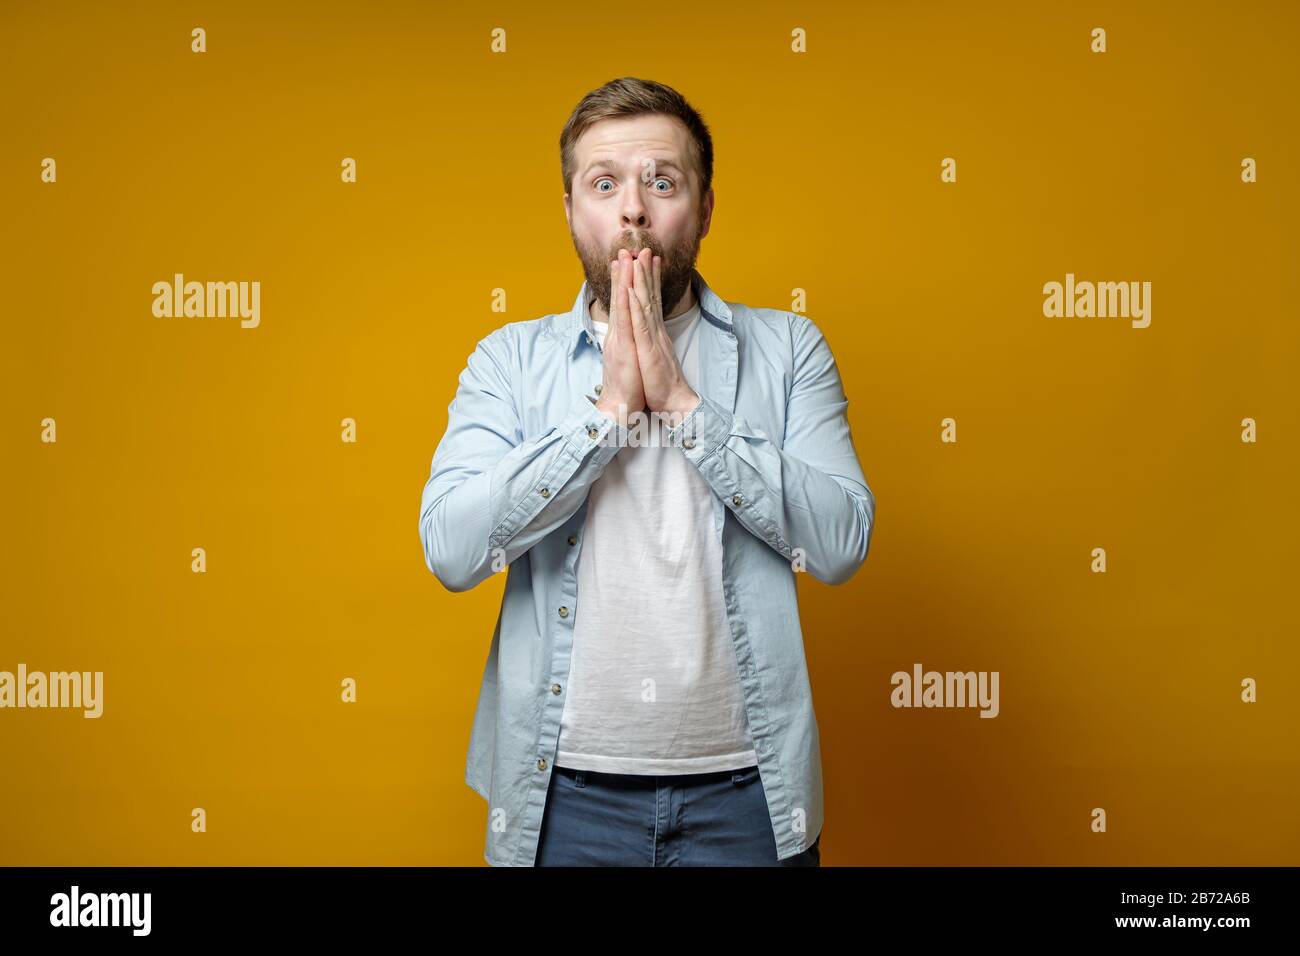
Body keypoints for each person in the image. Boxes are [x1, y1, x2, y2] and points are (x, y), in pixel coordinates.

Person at [419, 77, 875, 866]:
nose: (633, 208)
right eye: (605, 184)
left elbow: (840, 542)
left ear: (702, 209)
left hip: (748, 796)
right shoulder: (508, 362)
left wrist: (684, 405)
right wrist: (605, 420)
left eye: (662, 182)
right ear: (570, 211)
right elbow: (452, 552)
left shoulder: (789, 349)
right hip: (559, 799)